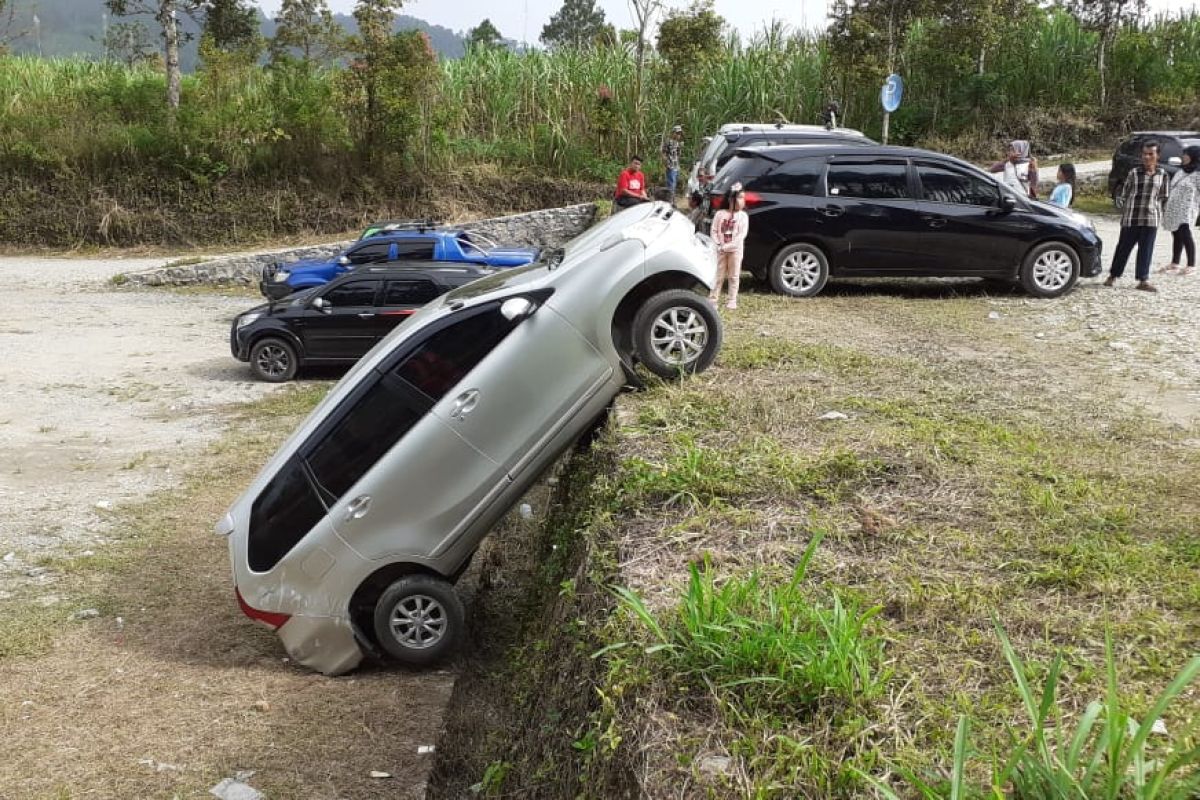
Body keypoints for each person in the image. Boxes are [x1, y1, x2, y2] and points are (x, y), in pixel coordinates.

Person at [1105, 140, 1170, 292]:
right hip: (1131, 219)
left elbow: (1163, 197)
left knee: (1146, 250)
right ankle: (1113, 276)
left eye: (1151, 154)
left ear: (1157, 156)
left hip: (1151, 219)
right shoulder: (1134, 173)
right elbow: (1125, 193)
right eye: (1144, 154)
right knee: (1123, 248)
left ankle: (1143, 280)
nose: (1147, 157)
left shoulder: (1163, 175)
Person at [1161, 145, 1200, 276]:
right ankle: (1175, 263)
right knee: (1176, 234)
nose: (1183, 157)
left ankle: (1191, 265)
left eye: (1186, 154)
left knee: (1185, 233)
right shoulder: (1181, 171)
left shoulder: (1198, 174)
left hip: (1187, 209)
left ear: (1194, 156)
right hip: (1174, 209)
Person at [709, 183, 749, 310]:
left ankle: (732, 299)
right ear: (731, 199)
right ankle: (713, 298)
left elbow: (741, 235)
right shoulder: (720, 214)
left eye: (743, 198)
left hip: (735, 251)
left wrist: (726, 247)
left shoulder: (743, 216)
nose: (743, 201)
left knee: (734, 275)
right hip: (720, 250)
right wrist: (718, 244)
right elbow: (714, 230)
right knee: (718, 275)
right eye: (740, 197)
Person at [661, 125, 683, 197]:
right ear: (673, 133)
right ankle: (670, 201)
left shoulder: (678, 143)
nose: (678, 135)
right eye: (677, 133)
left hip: (676, 166)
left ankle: (671, 199)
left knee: (674, 184)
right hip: (670, 166)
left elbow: (678, 154)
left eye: (679, 133)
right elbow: (663, 153)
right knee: (671, 184)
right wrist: (666, 163)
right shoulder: (668, 141)